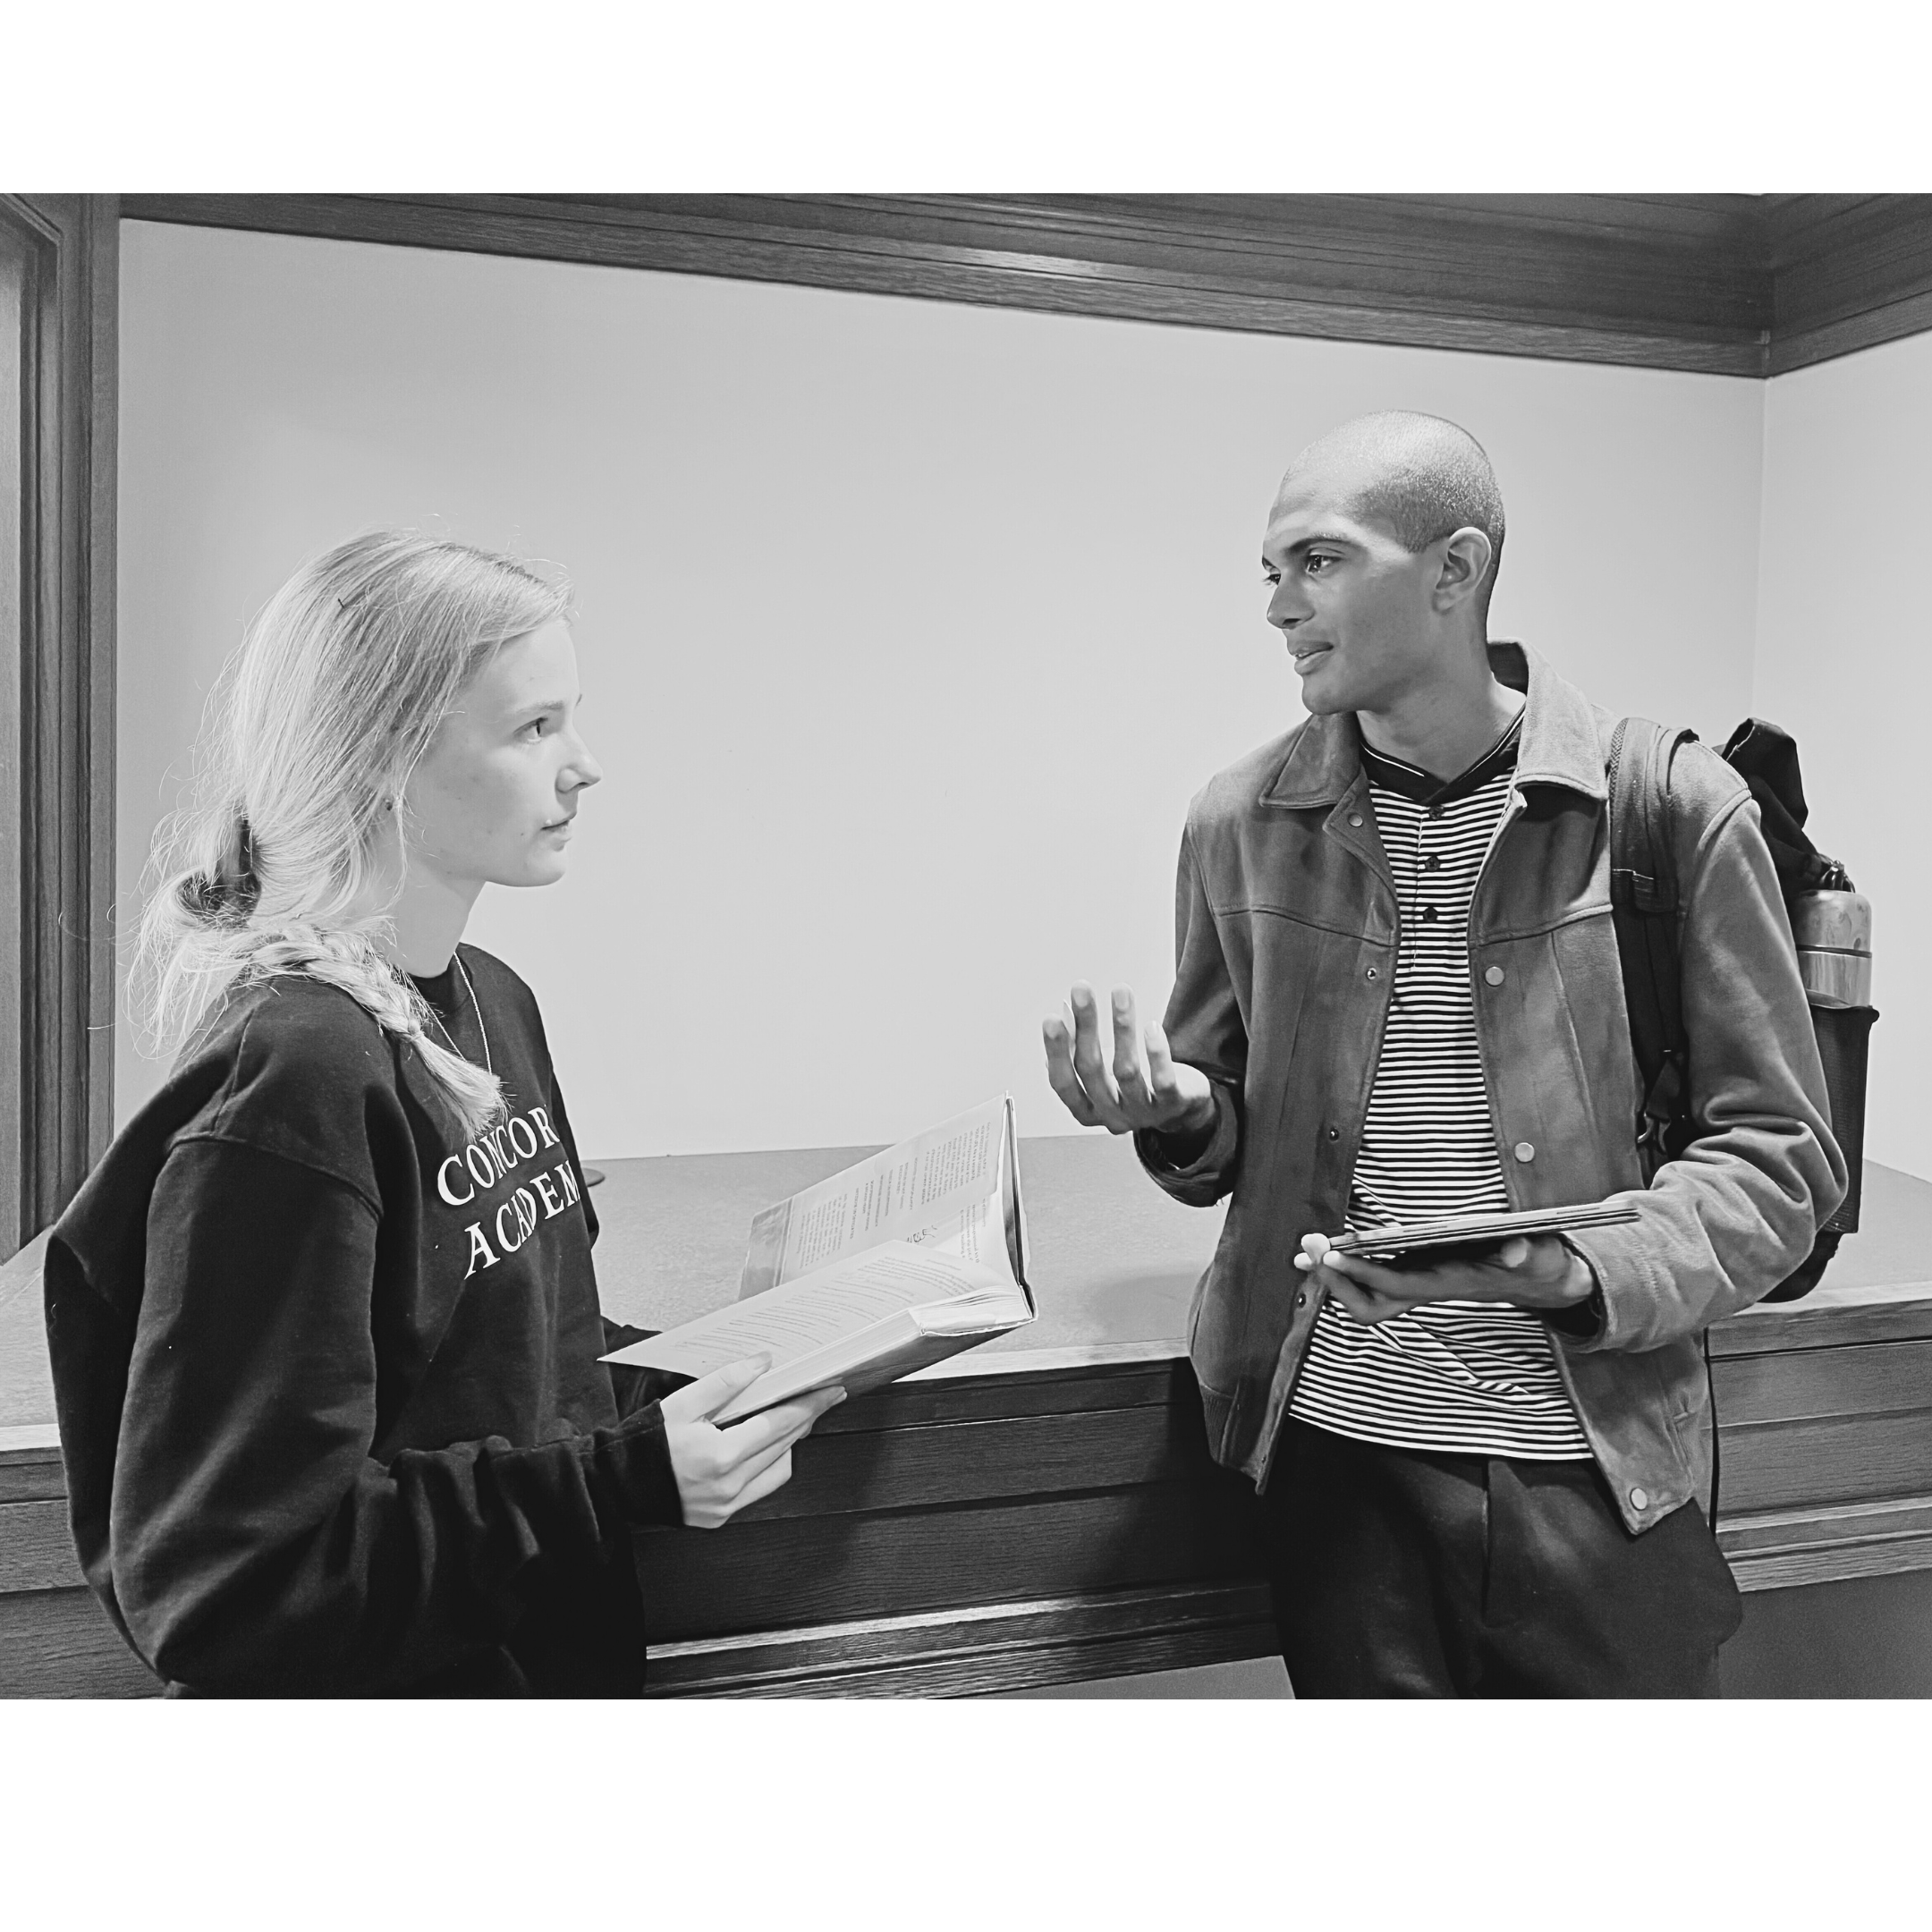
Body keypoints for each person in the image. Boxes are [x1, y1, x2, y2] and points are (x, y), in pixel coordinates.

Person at [1042, 412, 1845, 1702]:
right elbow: (1226, 1145)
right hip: (1335, 1462)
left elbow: (1784, 1168)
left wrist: (1564, 1266)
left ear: (1455, 573)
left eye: (1319, 561)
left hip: (1595, 1476)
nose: (1278, 606)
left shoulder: (1673, 812)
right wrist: (1182, 1108)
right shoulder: (1237, 822)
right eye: (1270, 571)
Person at [44, 532, 842, 1704]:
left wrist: (700, 1389)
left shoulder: (493, 1003)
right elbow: (229, 1585)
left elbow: (510, 1365)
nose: (585, 766)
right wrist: (613, 1481)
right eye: (534, 729)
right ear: (387, 766)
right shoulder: (293, 1086)